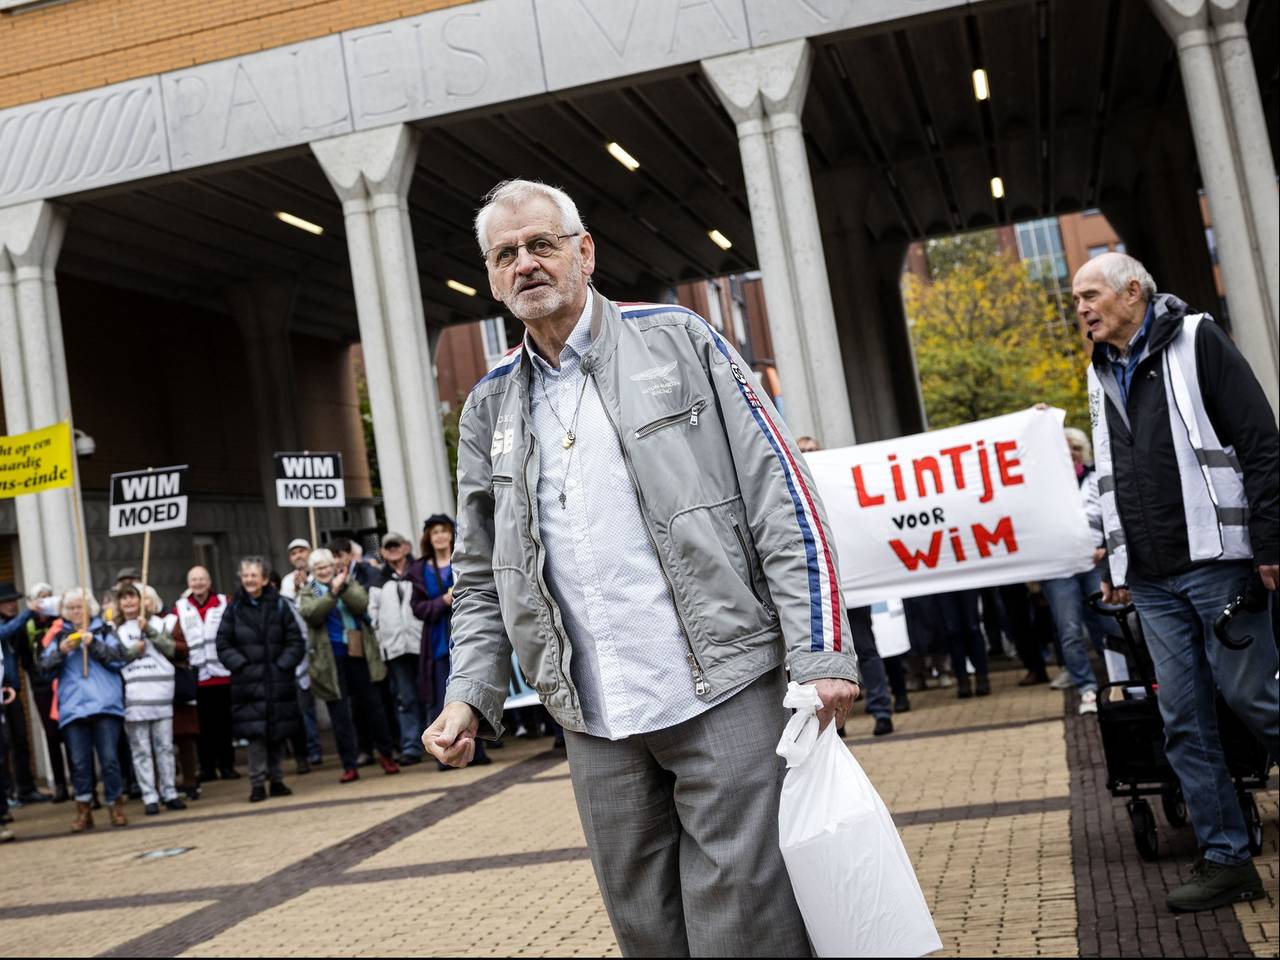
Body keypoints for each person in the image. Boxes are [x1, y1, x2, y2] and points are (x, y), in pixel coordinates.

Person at [421, 179, 860, 956]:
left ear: (585, 252)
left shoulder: (681, 340)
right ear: (491, 278)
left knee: (746, 929)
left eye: (542, 244)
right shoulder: (489, 406)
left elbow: (783, 496)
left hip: (723, 688)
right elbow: (484, 575)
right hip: (594, 717)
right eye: (505, 254)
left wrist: (821, 653)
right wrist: (468, 695)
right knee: (647, 932)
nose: (525, 264)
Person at [1076, 252, 1279, 912]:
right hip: (1153, 580)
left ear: (1133, 292)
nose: (1080, 308)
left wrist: (1271, 542)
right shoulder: (1099, 370)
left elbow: (1261, 443)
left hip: (1219, 562)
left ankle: (1228, 856)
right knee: (1183, 723)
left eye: (1090, 295)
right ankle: (1226, 861)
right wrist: (1118, 564)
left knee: (1255, 700)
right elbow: (1112, 474)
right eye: (1076, 299)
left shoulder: (1198, 339)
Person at [299, 548, 401, 782]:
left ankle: (386, 754)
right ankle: (349, 764)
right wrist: (331, 593)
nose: (324, 571)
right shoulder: (310, 590)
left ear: (333, 567)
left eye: (327, 566)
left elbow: (362, 604)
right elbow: (312, 614)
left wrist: (342, 588)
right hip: (329, 659)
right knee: (340, 715)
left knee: (373, 706)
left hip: (358, 653)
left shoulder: (348, 582)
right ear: (313, 571)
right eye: (319, 568)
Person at [39, 588, 130, 832]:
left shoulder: (104, 631)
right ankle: (84, 809)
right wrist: (61, 652)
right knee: (79, 763)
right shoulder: (59, 636)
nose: (76, 612)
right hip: (74, 707)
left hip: (105, 705)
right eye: (71, 608)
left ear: (90, 608)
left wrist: (95, 644)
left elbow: (120, 658)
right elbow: (43, 670)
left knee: (109, 759)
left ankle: (115, 805)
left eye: (80, 607)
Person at [214, 557, 305, 802]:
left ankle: (277, 779)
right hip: (248, 683)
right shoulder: (234, 608)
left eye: (253, 575)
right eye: (245, 576)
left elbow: (295, 641)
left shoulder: (280, 605)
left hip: (277, 680)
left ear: (265, 579)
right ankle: (257, 783)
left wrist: (282, 665)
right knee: (255, 736)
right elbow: (223, 643)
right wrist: (241, 666)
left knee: (277, 732)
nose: (249, 580)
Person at [1037, 426, 1110, 714]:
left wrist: (1106, 547)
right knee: (1069, 630)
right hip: (1060, 568)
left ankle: (1117, 679)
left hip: (1094, 564)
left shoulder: (1096, 479)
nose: (1072, 454)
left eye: (1076, 449)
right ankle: (1087, 688)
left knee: (1107, 623)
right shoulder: (1042, 486)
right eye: (1065, 449)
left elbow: (1113, 514)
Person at [410, 515, 489, 769]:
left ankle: (474, 750)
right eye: (435, 533)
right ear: (428, 538)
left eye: (444, 531)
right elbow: (418, 607)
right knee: (442, 696)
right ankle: (444, 753)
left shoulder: (463, 558)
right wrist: (442, 601)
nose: (440, 536)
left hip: (466, 633)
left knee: (470, 689)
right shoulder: (420, 570)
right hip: (438, 641)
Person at [117, 584, 186, 815]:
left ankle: (170, 792)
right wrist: (133, 651)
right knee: (141, 750)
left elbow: (172, 649)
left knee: (165, 747)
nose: (128, 602)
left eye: (132, 597)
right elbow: (114, 659)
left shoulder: (158, 623)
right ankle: (149, 795)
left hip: (160, 693)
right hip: (134, 697)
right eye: (124, 598)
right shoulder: (115, 630)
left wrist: (148, 630)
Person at [172, 566, 240, 782]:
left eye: (202, 579)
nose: (198, 583)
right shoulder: (180, 607)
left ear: (209, 582)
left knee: (224, 725)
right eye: (194, 580)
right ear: (188, 583)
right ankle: (207, 768)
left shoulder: (223, 602)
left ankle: (227, 766)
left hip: (222, 674)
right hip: (196, 677)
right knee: (202, 727)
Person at [370, 532, 427, 765]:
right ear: (382, 552)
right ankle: (411, 746)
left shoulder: (420, 571)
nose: (393, 550)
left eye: (396, 545)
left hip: (422, 644)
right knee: (405, 698)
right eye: (388, 547)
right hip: (395, 648)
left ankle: (436, 740)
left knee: (430, 694)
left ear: (406, 547)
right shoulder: (378, 579)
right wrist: (382, 642)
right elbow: (372, 614)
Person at [18, 584, 72, 802]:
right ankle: (59, 785)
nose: (46, 601)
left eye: (49, 597)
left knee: (71, 731)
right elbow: (24, 656)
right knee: (51, 735)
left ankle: (79, 781)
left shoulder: (61, 621)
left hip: (63, 683)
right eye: (41, 598)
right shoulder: (28, 625)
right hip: (42, 686)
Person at [0, 581, 50, 806]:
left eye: (14, 601)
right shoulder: (9, 625)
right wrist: (29, 612)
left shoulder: (17, 624)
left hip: (12, 689)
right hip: (2, 689)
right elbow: (5, 632)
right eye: (7, 601)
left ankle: (26, 789)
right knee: (4, 744)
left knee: (20, 739)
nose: (12, 605)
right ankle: (7, 794)